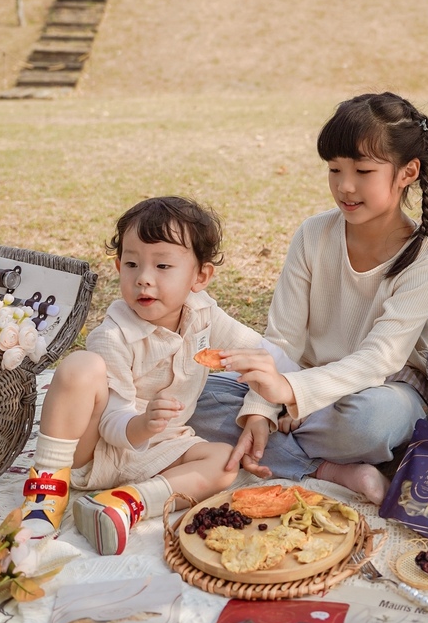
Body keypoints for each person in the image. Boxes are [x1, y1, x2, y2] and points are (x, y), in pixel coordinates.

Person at [188, 92, 428, 504]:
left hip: (380, 392)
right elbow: (283, 339)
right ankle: (330, 470)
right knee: (193, 392)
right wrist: (259, 408)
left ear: (407, 172)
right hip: (296, 383)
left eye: (363, 170)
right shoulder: (313, 234)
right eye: (334, 169)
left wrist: (291, 393)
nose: (345, 186)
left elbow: (377, 361)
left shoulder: (425, 263)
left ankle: (295, 441)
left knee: (368, 425)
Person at [20, 196, 298, 554]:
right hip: (96, 451)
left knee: (224, 462)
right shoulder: (114, 334)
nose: (144, 279)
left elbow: (261, 354)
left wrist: (290, 396)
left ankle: (125, 503)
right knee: (80, 367)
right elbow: (113, 421)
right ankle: (45, 489)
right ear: (119, 266)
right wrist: (144, 424)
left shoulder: (203, 314)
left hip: (163, 448)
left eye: (163, 266)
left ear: (201, 276)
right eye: (132, 264)